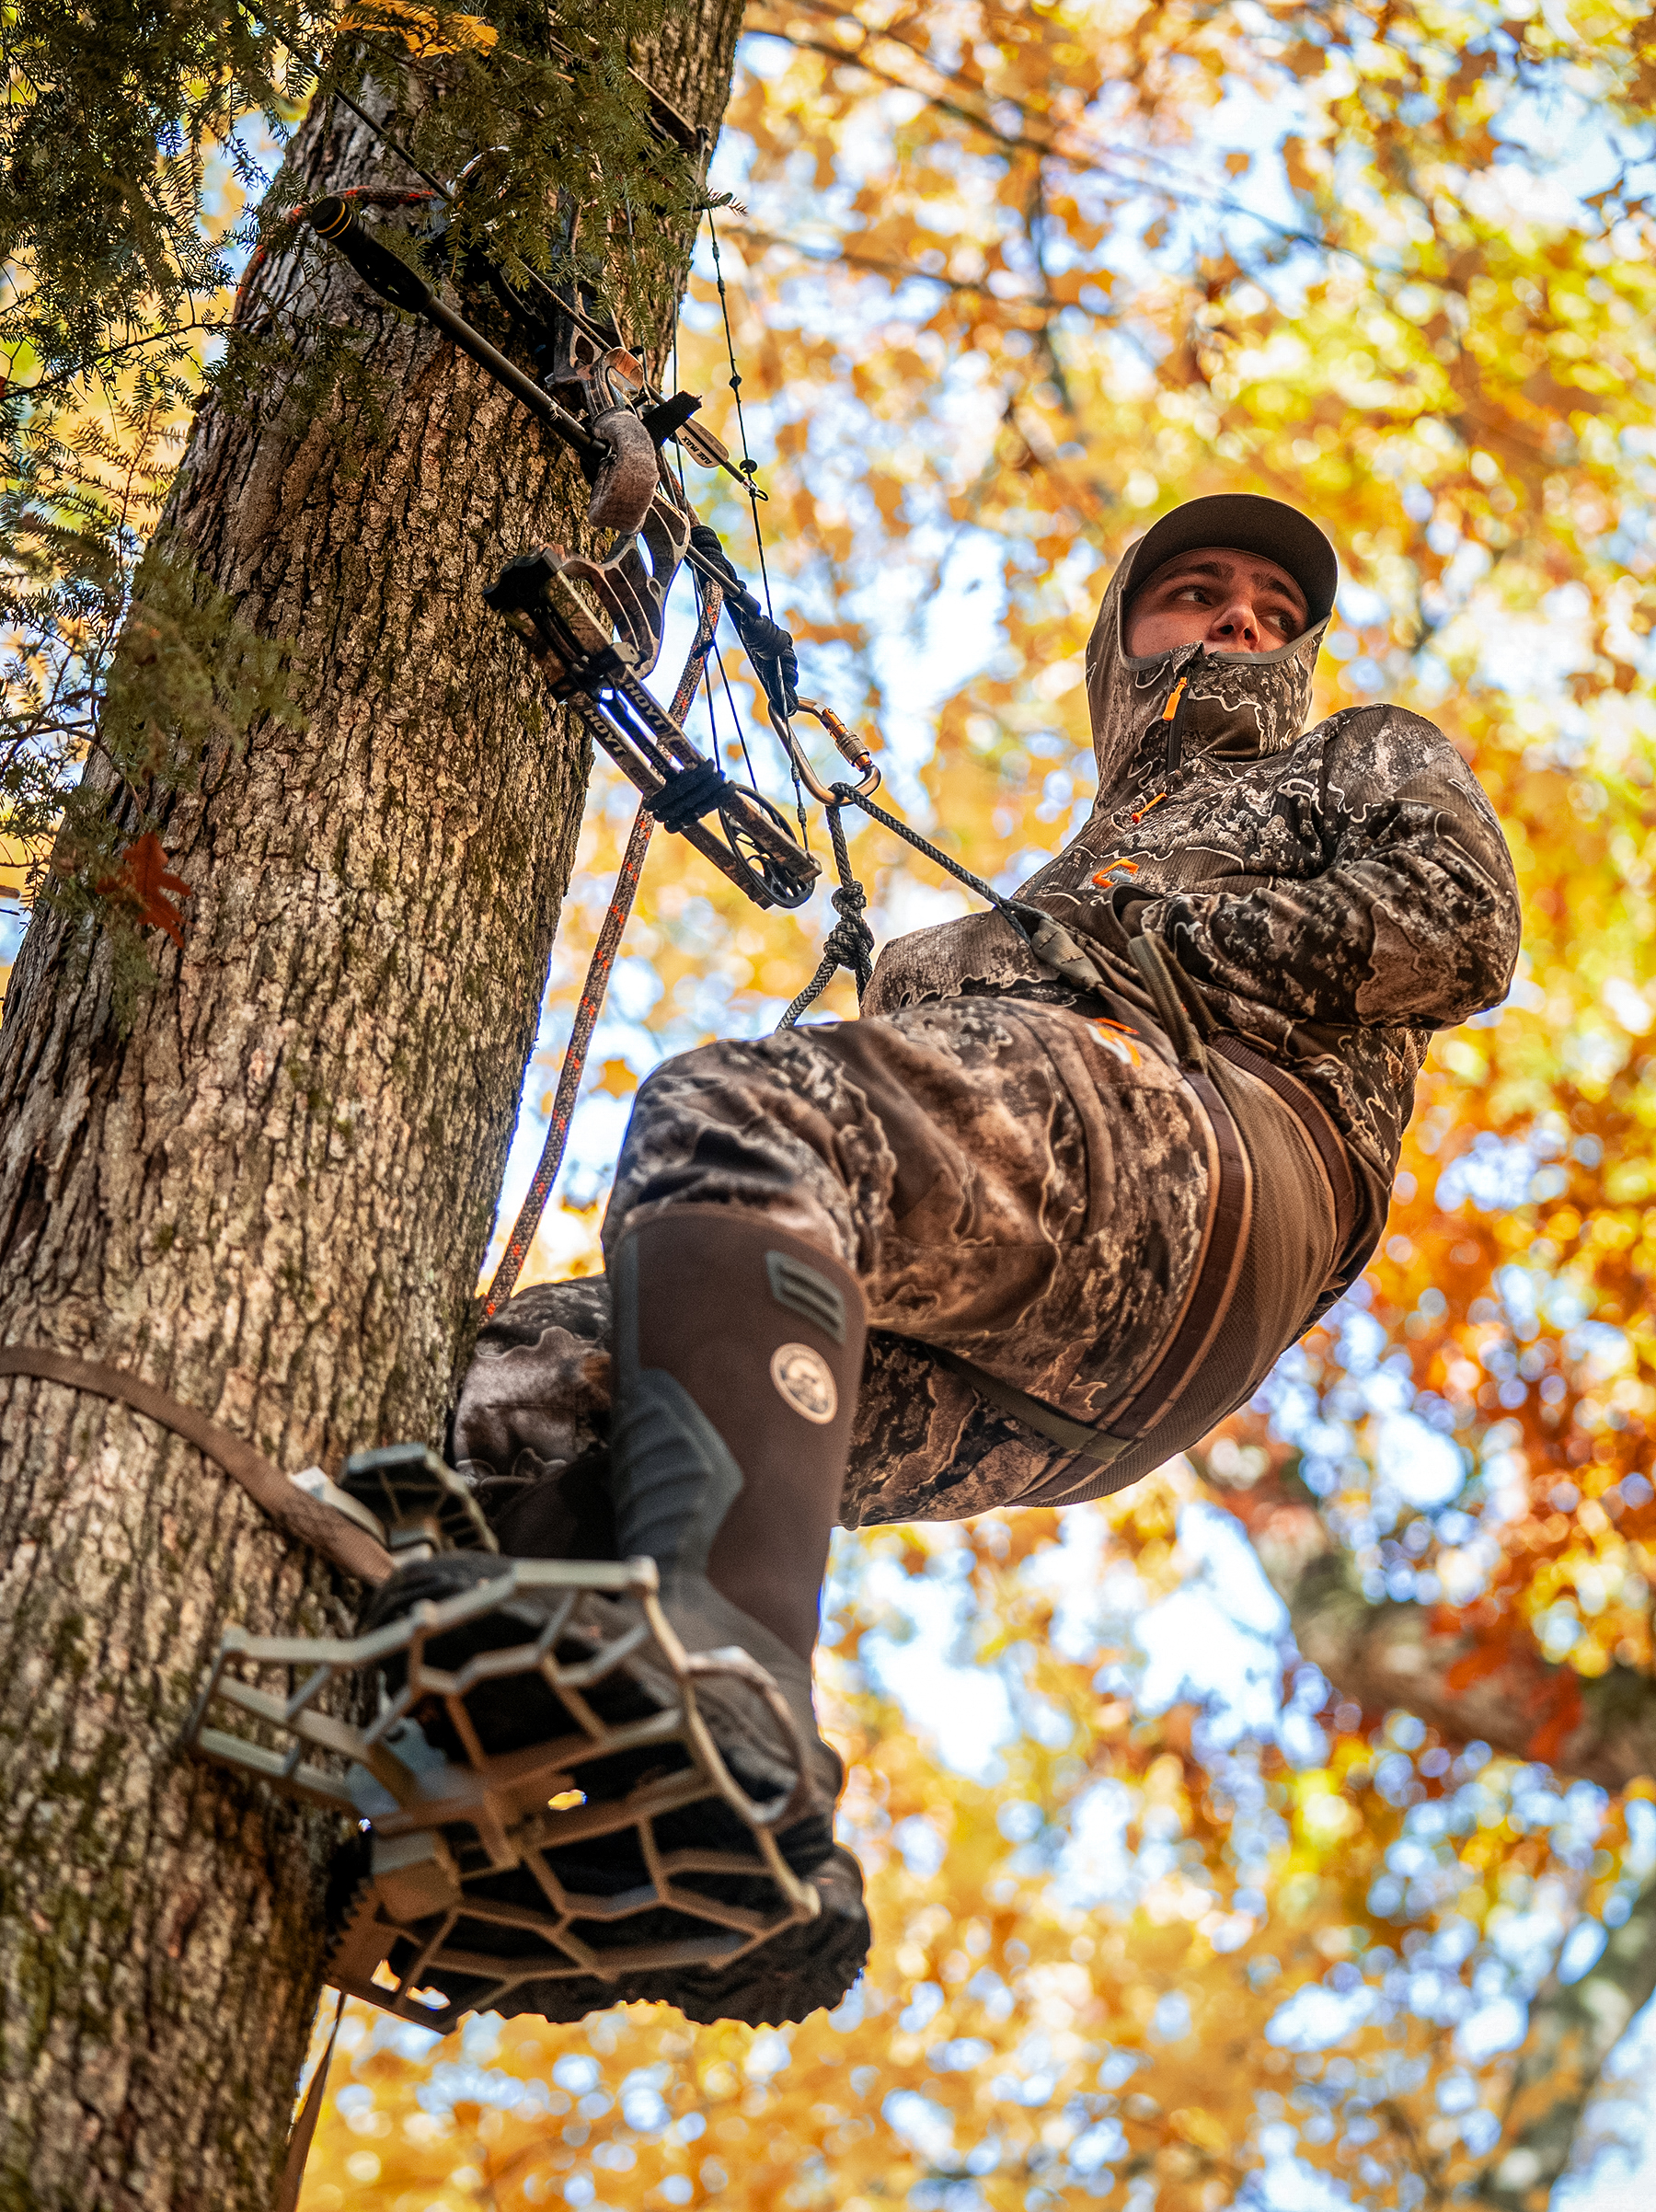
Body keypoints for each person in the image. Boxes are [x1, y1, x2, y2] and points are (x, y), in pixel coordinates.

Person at [362, 492, 1521, 2027]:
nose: (1246, 620)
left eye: (1274, 610)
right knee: (528, 1395)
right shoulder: (1076, 868)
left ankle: (731, 1687)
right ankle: (584, 1846)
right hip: (1076, 1363)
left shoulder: (1350, 752)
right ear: (1121, 650)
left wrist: (1108, 945)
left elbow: (1457, 924)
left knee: (744, 1112)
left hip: (1223, 1158)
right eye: (1198, 593)